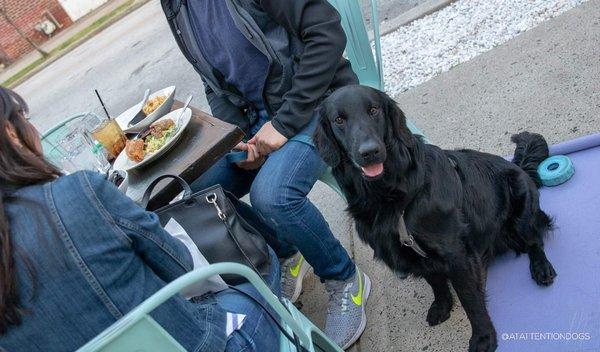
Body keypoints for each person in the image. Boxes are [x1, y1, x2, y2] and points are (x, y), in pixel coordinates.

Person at [0, 87, 281, 352]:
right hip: (201, 344)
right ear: (11, 133)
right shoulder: (79, 191)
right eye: (24, 118)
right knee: (260, 264)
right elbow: (180, 267)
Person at [162, 0, 371, 348]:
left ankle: (345, 278)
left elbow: (326, 34)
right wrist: (237, 137)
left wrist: (283, 124)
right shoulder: (175, 7)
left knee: (272, 196)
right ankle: (287, 254)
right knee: (192, 187)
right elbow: (214, 83)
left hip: (319, 103)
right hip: (261, 120)